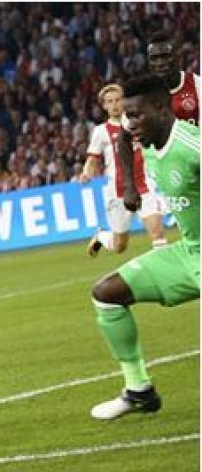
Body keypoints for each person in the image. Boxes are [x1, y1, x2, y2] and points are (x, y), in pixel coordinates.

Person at [89, 74, 200, 420]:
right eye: (126, 116)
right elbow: (122, 141)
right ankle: (139, 389)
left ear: (162, 108)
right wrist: (129, 189)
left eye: (136, 115)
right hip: (190, 252)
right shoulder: (148, 141)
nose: (130, 124)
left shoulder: (191, 145)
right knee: (107, 293)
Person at [80, 83, 167, 256]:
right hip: (118, 192)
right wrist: (86, 173)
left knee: (158, 233)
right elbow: (92, 158)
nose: (114, 105)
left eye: (118, 100)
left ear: (124, 101)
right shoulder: (100, 131)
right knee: (120, 245)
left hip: (144, 186)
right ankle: (101, 236)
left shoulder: (138, 122)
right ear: (104, 106)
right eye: (110, 101)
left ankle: (166, 278)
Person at [146, 30, 201, 125]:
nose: (160, 63)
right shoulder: (144, 95)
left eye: (165, 56)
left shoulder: (197, 85)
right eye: (154, 58)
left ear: (178, 57)